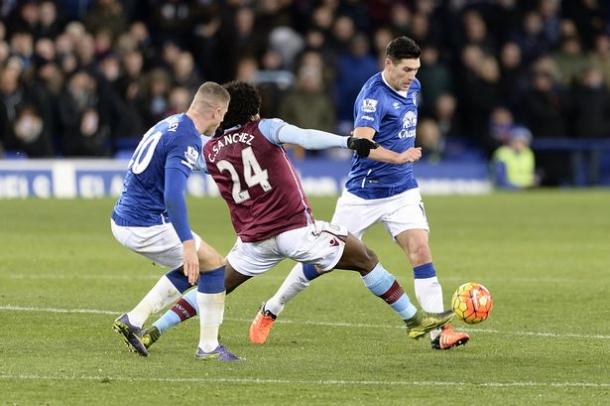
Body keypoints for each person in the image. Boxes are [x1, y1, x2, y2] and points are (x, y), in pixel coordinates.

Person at [138, 80, 454, 351]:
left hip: (253, 241)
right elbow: (305, 136)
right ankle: (414, 320)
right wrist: (347, 142)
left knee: (216, 285)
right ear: (252, 111)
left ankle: (155, 331)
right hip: (293, 231)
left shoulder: (210, 150)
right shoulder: (265, 128)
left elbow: (180, 160)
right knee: (364, 257)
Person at [250, 36, 469, 350]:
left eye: (416, 69)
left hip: (402, 190)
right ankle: (272, 308)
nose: (412, 76)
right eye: (406, 69)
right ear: (388, 64)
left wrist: (401, 160)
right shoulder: (372, 98)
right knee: (323, 260)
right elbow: (363, 144)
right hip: (363, 194)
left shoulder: (414, 88)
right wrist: (397, 156)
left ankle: (439, 331)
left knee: (420, 250)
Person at [111, 81, 239, 361]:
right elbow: (173, 195)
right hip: (145, 223)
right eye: (224, 114)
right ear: (217, 111)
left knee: (199, 266)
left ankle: (133, 319)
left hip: (126, 216)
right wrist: (187, 243)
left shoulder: (171, 123)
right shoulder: (186, 137)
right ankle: (208, 348)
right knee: (215, 267)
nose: (223, 119)